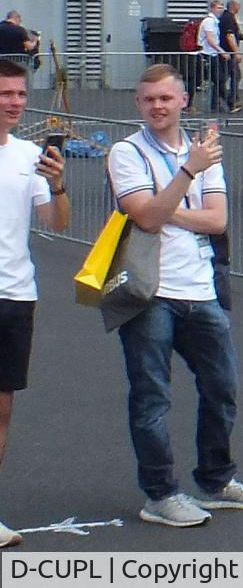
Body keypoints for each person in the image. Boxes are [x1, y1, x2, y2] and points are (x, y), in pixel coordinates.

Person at [108, 63, 243, 528]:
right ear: (138, 103)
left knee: (222, 388)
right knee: (151, 397)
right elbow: (145, 218)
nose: (157, 107)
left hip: (201, 290)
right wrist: (185, 177)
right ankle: (160, 494)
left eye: (166, 98)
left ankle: (215, 480)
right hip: (149, 292)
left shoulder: (203, 153)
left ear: (183, 101)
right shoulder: (128, 153)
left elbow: (217, 220)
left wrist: (166, 204)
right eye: (148, 99)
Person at [0, 59, 69, 547]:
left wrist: (59, 181)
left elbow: (56, 221)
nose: (14, 102)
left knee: (1, 409)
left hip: (15, 294)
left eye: (21, 94)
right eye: (5, 93)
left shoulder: (29, 154)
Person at [196, 1, 229, 115]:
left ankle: (217, 104)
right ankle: (228, 102)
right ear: (212, 9)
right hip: (208, 54)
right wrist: (222, 51)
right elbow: (210, 40)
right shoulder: (209, 22)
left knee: (219, 80)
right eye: (218, 8)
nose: (221, 10)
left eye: (222, 8)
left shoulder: (214, 22)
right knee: (218, 79)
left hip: (213, 54)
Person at [217, 0, 243, 115]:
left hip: (226, 53)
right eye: (238, 6)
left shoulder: (227, 17)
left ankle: (230, 100)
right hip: (228, 54)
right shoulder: (229, 18)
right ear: (233, 7)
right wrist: (236, 53)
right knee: (234, 76)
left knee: (225, 77)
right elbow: (229, 36)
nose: (239, 9)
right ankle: (232, 101)